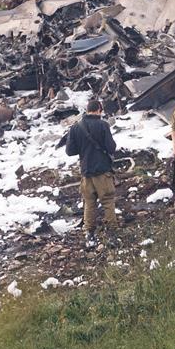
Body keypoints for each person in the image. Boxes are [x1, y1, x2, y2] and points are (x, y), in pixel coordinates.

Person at [65, 99, 117, 249]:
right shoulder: (103, 125)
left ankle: (90, 234)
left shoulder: (76, 127)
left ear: (87, 110)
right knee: (108, 202)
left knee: (89, 203)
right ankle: (112, 234)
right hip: (103, 171)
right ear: (99, 110)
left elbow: (70, 151)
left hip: (86, 172)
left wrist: (83, 148)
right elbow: (111, 147)